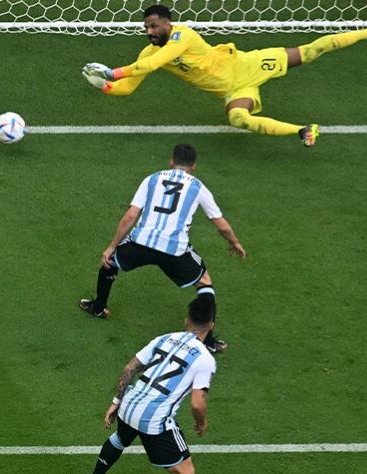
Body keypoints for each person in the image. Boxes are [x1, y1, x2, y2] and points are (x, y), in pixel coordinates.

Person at [82, 4, 367, 147]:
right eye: (146, 28)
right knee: (238, 119)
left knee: (309, 52)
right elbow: (130, 85)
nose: (149, 32)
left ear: (168, 23)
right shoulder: (147, 54)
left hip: (247, 65)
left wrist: (113, 70)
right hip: (234, 90)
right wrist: (107, 86)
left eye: (154, 26)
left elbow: (151, 65)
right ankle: (303, 131)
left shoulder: (183, 36)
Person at [78, 143, 245, 354]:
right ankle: (207, 340)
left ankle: (98, 307)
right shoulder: (198, 187)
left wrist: (111, 246)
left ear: (171, 162)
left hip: (141, 243)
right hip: (174, 251)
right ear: (193, 167)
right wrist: (234, 242)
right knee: (205, 284)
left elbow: (131, 215)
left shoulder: (152, 179)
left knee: (109, 261)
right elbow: (220, 224)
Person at [92, 296, 218, 473]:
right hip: (154, 418)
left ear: (186, 319)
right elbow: (197, 404)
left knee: (119, 439)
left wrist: (116, 401)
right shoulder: (205, 359)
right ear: (211, 325)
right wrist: (202, 423)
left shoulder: (164, 338)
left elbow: (129, 369)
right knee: (186, 471)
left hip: (129, 404)